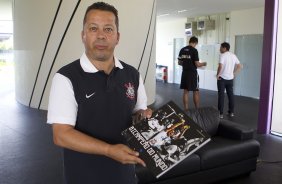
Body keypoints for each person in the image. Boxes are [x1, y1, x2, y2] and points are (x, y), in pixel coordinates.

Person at [47, 2, 152, 184]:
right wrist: (108, 150)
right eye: (93, 28)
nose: (101, 35)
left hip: (125, 175)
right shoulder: (65, 77)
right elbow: (61, 134)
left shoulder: (133, 74)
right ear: (83, 35)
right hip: (83, 177)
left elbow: (138, 113)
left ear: (117, 37)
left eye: (108, 29)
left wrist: (143, 116)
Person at [178, 36, 207, 111]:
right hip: (192, 73)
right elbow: (197, 64)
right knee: (196, 91)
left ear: (189, 41)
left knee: (185, 92)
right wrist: (203, 63)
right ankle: (197, 109)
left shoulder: (182, 49)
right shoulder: (194, 50)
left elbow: (179, 62)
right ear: (195, 43)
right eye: (196, 44)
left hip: (185, 73)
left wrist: (186, 64)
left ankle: (186, 109)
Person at [216, 42, 242, 119]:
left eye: (221, 47)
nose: (219, 49)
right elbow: (240, 66)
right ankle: (231, 112)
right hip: (230, 79)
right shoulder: (233, 55)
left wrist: (217, 75)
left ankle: (220, 113)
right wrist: (234, 74)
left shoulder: (222, 55)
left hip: (222, 79)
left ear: (224, 48)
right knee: (230, 95)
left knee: (221, 96)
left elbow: (220, 66)